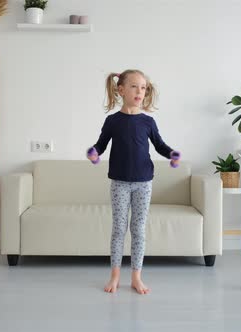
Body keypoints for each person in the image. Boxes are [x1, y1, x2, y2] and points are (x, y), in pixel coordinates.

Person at [87, 69, 180, 294]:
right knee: (119, 229)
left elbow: (159, 145)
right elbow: (101, 145)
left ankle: (136, 277)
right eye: (134, 86)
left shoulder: (148, 122)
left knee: (138, 229)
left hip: (143, 183)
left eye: (143, 87)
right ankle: (115, 276)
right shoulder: (112, 121)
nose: (140, 91)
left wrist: (172, 154)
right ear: (121, 89)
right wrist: (94, 152)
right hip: (119, 182)